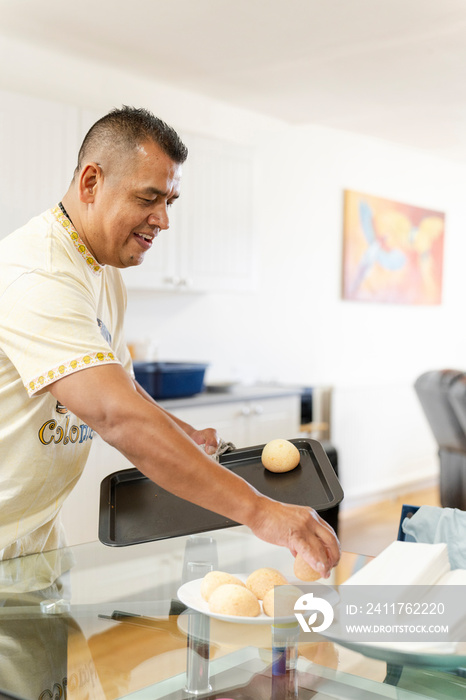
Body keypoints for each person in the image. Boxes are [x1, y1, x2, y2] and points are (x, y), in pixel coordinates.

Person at [0, 106, 340, 574]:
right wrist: (260, 511)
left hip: (33, 544)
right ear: (91, 183)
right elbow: (116, 416)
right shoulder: (39, 274)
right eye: (148, 198)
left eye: (170, 202)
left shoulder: (102, 272)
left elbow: (124, 389)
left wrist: (184, 433)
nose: (162, 220)